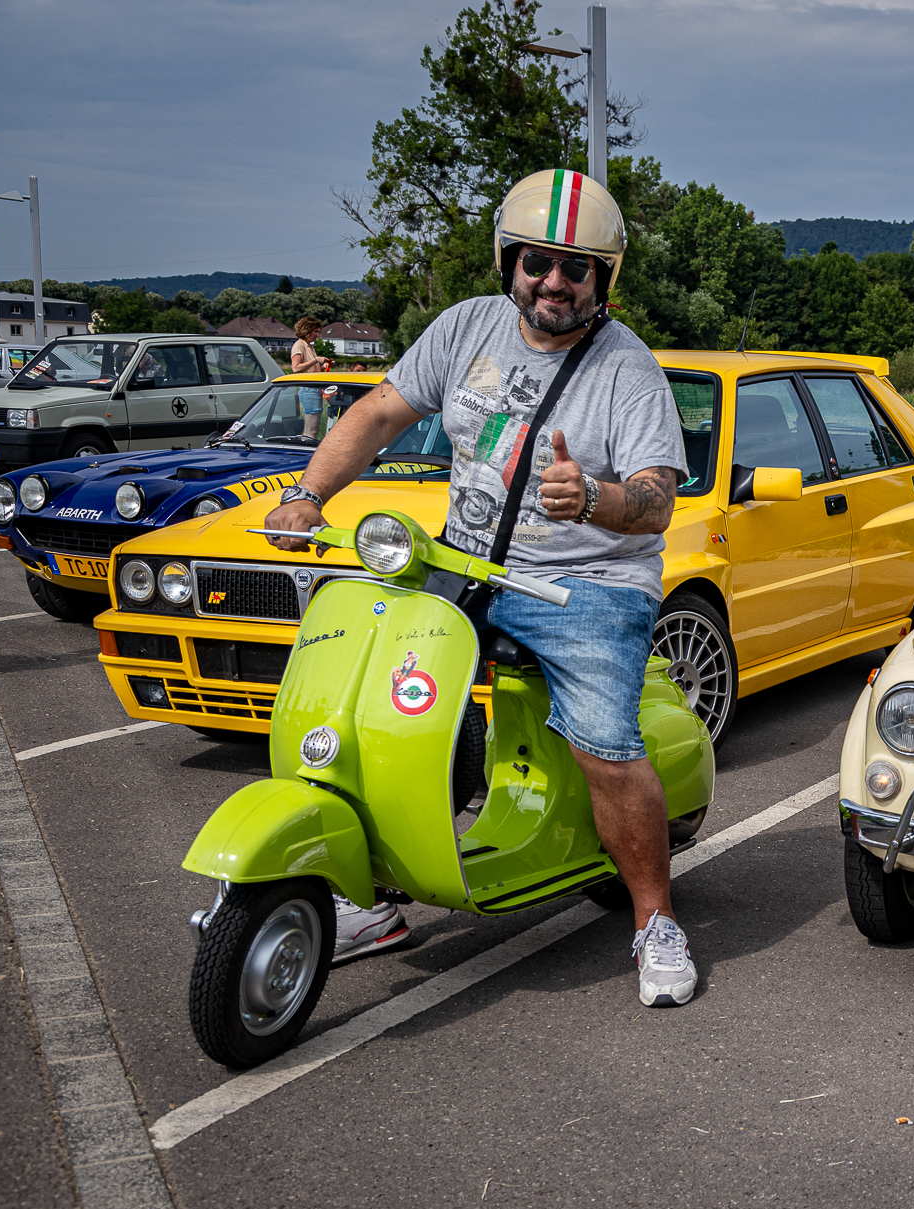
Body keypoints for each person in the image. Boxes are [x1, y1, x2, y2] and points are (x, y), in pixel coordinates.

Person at [262, 169, 699, 1006]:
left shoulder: (626, 368)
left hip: (586, 581)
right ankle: (368, 895)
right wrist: (306, 494)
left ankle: (655, 921)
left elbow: (656, 499)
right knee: (367, 691)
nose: (554, 282)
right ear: (511, 261)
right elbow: (381, 412)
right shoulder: (466, 326)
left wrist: (596, 499)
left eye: (576, 268)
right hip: (463, 561)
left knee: (605, 740)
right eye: (539, 262)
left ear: (602, 279)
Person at [291, 318, 334, 440]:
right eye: (315, 331)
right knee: (311, 431)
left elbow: (309, 368)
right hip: (309, 389)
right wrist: (315, 360)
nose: (317, 335)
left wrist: (323, 365)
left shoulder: (309, 346)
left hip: (313, 389)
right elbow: (296, 368)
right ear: (306, 330)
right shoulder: (299, 345)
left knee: (312, 430)